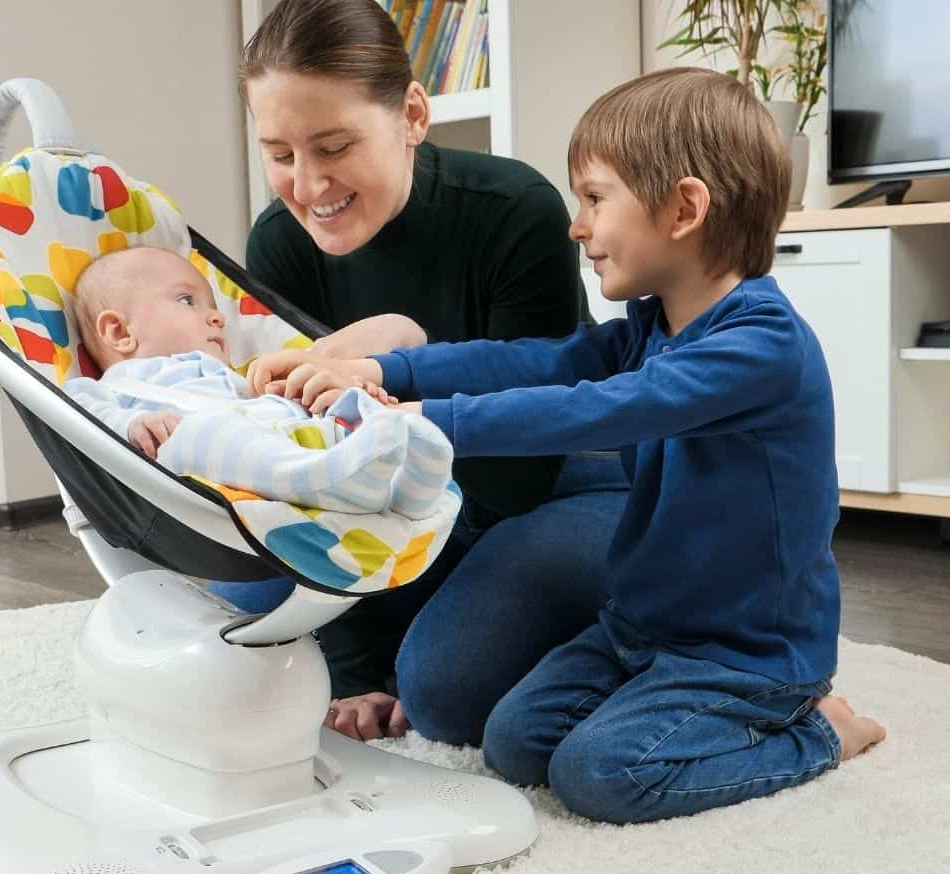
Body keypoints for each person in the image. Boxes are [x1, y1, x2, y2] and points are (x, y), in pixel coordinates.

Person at [248, 67, 885, 824]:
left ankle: (818, 733)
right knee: (513, 745)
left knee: (600, 778)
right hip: (643, 628)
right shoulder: (651, 326)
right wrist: (385, 368)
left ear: (684, 208)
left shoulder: (759, 344)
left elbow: (599, 410)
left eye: (594, 198)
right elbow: (537, 358)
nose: (578, 226)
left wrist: (422, 419)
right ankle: (660, 702)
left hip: (745, 652)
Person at [223, 0, 630, 741]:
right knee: (230, 587)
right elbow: (298, 468)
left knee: (446, 692)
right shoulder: (280, 244)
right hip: (399, 500)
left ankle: (636, 650)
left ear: (412, 115)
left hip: (549, 484)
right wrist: (344, 672)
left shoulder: (514, 212)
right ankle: (406, 625)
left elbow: (517, 478)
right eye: (280, 155)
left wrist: (393, 363)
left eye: (334, 146)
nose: (309, 187)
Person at [64, 246, 452, 517]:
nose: (217, 318)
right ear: (119, 331)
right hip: (199, 467)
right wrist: (131, 426)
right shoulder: (116, 386)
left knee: (344, 404)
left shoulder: (235, 377)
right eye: (187, 301)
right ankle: (341, 480)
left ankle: (406, 481)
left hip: (286, 439)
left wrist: (319, 398)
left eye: (216, 308)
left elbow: (278, 410)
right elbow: (78, 416)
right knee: (206, 432)